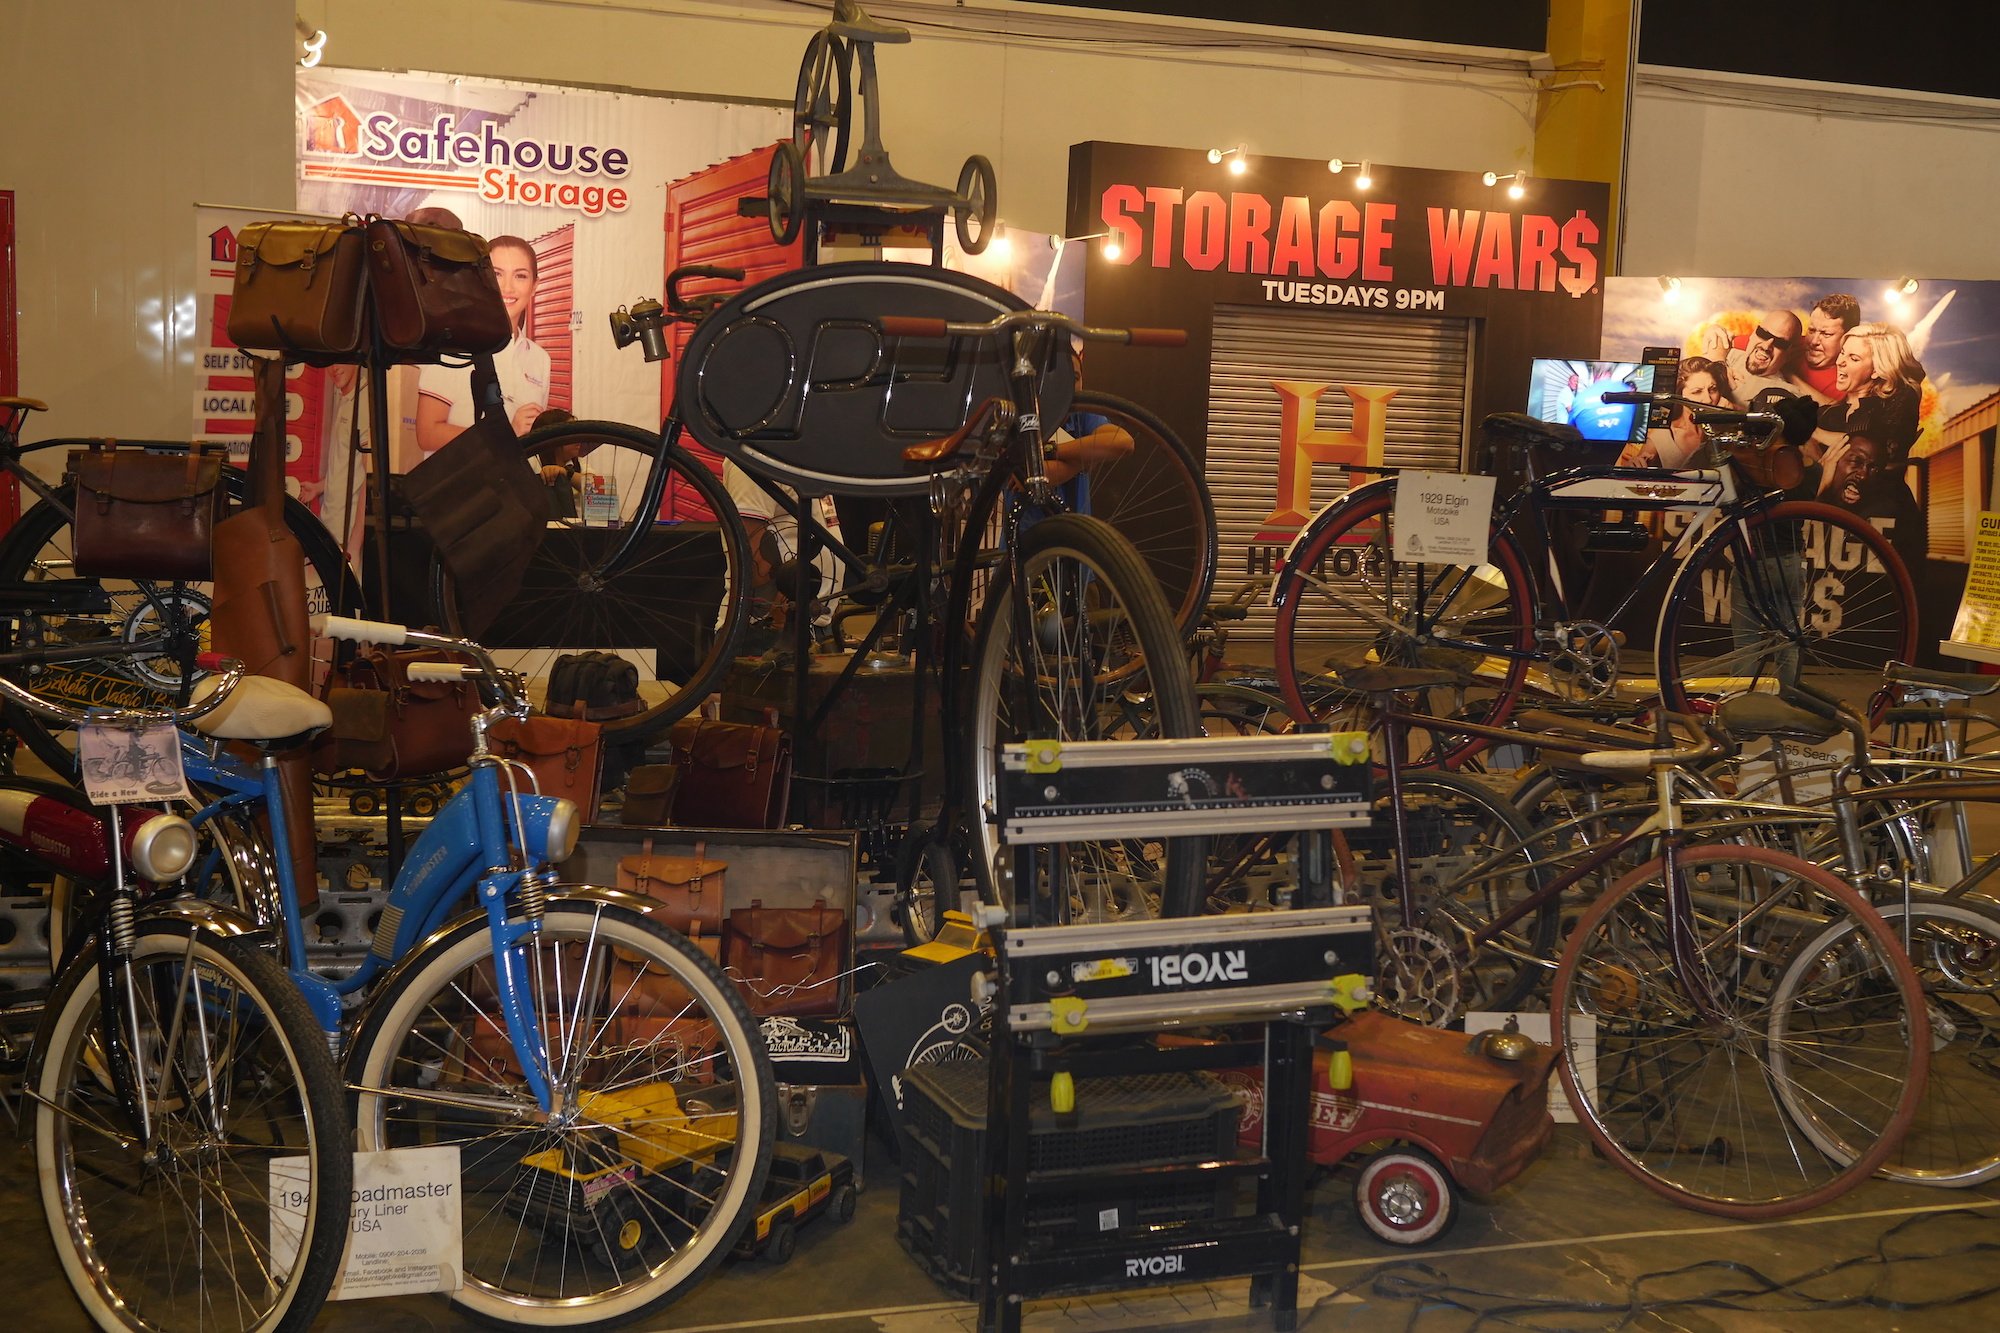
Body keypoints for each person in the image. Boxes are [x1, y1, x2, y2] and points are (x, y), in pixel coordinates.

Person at [415, 234, 552, 451]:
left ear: (534, 286)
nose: (507, 287)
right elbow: (428, 433)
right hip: (463, 484)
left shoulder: (540, 359)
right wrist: (505, 435)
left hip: (516, 483)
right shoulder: (454, 347)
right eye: (497, 274)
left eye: (521, 276)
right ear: (481, 279)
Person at [1818, 321, 1925, 471]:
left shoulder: (1898, 403)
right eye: (1842, 353)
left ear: (1877, 370)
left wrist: (1812, 432)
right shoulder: (1829, 414)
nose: (1839, 362)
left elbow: (1863, 449)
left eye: (1854, 358)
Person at [1788, 293, 1861, 403]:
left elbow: (1836, 413)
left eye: (1826, 334)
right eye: (1811, 330)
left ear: (1847, 338)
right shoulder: (1790, 344)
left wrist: (1788, 376)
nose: (1814, 341)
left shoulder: (1852, 379)